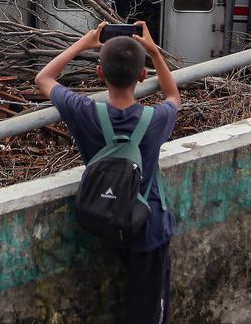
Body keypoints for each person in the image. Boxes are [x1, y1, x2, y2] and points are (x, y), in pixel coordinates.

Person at [35, 21, 181, 324]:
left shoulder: (84, 111)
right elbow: (173, 96)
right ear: (142, 76)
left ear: (100, 74)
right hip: (147, 229)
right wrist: (154, 53)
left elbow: (44, 78)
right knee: (149, 312)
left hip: (105, 218)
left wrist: (85, 43)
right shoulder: (155, 120)